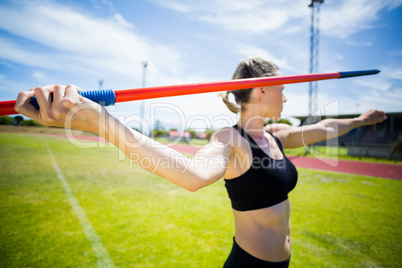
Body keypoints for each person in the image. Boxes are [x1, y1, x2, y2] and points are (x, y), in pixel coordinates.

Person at [14, 57, 387, 267]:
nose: (287, 98)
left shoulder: (277, 135)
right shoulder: (230, 140)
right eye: (283, 88)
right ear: (261, 89)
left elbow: (323, 127)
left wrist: (358, 121)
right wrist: (100, 121)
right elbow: (190, 175)